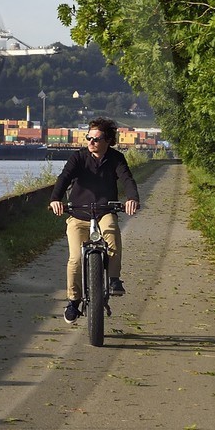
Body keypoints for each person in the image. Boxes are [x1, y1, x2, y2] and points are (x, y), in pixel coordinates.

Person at [48, 117, 140, 323]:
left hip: (104, 211)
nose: (91, 142)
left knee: (113, 238)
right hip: (78, 214)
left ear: (108, 140)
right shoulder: (78, 158)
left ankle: (114, 279)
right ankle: (73, 301)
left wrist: (132, 198)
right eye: (88, 138)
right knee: (75, 259)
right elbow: (64, 178)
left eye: (96, 139)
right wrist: (56, 199)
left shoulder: (116, 158)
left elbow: (127, 179)